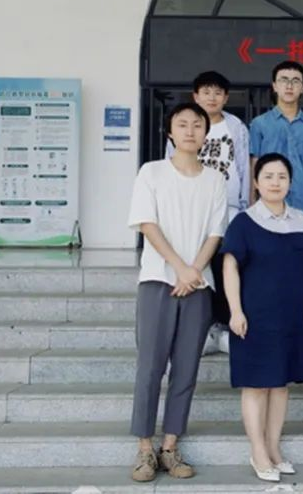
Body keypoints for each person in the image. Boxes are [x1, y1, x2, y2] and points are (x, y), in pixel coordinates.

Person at [127, 102, 228, 483]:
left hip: (198, 286)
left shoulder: (215, 179)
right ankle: (144, 449)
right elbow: (147, 224)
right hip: (158, 280)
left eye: (197, 125)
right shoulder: (152, 172)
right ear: (170, 131)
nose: (190, 130)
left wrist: (193, 271)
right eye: (182, 124)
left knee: (186, 368)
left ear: (206, 133)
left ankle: (170, 446)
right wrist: (179, 267)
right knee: (150, 367)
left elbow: (215, 233)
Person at [221, 153, 303, 483]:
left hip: (292, 315)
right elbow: (230, 266)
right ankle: (258, 451)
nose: (275, 182)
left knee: (280, 384)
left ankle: (274, 448)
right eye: (268, 176)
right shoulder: (243, 222)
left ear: (290, 182)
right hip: (254, 315)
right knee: (256, 384)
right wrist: (235, 310)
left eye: (282, 177)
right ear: (257, 182)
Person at [165, 70, 249, 357]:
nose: (212, 97)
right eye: (206, 92)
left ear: (226, 97)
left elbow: (243, 166)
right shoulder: (183, 126)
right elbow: (169, 166)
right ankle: (200, 330)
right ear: (196, 96)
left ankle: (222, 327)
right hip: (192, 211)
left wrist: (245, 206)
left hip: (230, 209)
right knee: (196, 265)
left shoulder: (235, 126)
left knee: (226, 265)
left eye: (217, 92)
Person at [250, 61, 303, 218]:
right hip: (267, 204)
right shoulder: (259, 124)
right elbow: (254, 166)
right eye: (283, 80)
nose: (289, 86)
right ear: (274, 86)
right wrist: (252, 203)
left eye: (295, 81)